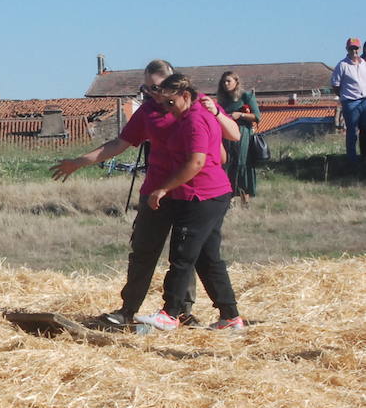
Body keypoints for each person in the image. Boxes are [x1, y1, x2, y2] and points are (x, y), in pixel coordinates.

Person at [51, 60, 242, 330]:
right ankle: (129, 311)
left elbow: (221, 150)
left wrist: (216, 121)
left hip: (194, 193)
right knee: (146, 251)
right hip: (159, 191)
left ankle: (179, 312)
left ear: (176, 87)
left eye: (158, 89)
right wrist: (80, 161)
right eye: (147, 89)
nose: (154, 95)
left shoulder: (198, 111)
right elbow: (119, 144)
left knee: (188, 253)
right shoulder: (150, 111)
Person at [216, 71, 260, 204]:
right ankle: (229, 200)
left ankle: (244, 200)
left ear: (236, 82)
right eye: (224, 81)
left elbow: (257, 117)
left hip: (242, 134)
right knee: (228, 164)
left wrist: (240, 115)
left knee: (241, 163)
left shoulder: (246, 96)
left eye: (228, 81)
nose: (226, 84)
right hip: (226, 135)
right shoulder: (222, 100)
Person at [330, 37, 366, 164]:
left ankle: (363, 156)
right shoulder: (342, 65)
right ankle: (352, 160)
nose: (354, 51)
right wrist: (343, 97)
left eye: (356, 48)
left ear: (359, 49)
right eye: (351, 48)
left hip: (364, 101)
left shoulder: (364, 64)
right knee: (352, 132)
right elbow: (335, 84)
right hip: (350, 102)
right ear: (347, 49)